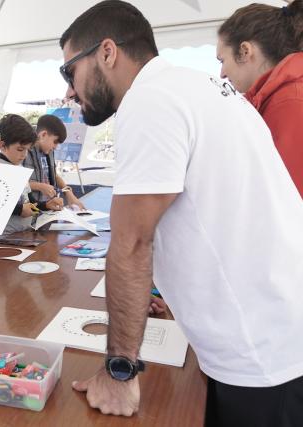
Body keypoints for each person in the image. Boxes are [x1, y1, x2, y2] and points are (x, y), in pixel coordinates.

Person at [59, 1, 303, 424]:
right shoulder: (198, 87)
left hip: (261, 355)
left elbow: (133, 241)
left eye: (69, 71)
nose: (68, 90)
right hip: (278, 328)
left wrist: (120, 371)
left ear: (107, 52)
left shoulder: (151, 100)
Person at [217, 0, 303, 197]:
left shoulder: (290, 102)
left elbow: (287, 197)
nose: (221, 73)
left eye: (222, 60)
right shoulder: (277, 98)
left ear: (246, 51)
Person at [0, 114, 63, 243]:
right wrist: (19, 210)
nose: (24, 155)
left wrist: (46, 205)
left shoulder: (19, 168)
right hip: (0, 239)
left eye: (27, 150)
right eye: (20, 149)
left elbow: (30, 202)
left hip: (22, 234)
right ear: (2, 145)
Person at [23, 114, 85, 210]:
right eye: (55, 142)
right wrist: (39, 186)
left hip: (48, 209)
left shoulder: (49, 151)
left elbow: (54, 175)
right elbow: (16, 182)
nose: (56, 147)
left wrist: (69, 193)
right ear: (43, 134)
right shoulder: (23, 151)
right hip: (31, 211)